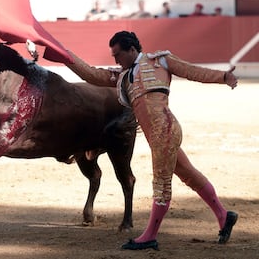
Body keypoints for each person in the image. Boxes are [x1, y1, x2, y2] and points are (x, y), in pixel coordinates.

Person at [65, 31, 238, 250]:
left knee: (161, 184)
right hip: (158, 133)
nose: (115, 60)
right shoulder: (122, 75)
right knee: (189, 174)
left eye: (118, 54)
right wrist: (65, 56)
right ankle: (224, 216)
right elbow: (91, 75)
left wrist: (223, 77)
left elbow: (192, 71)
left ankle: (149, 236)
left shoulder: (160, 60)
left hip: (164, 129)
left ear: (132, 50)